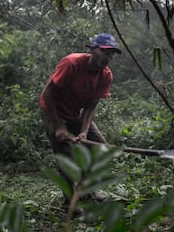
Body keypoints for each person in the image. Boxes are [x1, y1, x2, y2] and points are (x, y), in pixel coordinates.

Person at [39, 33, 121, 212]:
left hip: (75, 113)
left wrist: (83, 131)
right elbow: (48, 94)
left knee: (100, 148)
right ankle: (69, 203)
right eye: (104, 51)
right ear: (92, 49)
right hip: (54, 111)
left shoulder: (105, 75)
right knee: (66, 156)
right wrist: (59, 126)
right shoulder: (72, 63)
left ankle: (86, 191)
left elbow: (90, 108)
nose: (108, 57)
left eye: (111, 53)